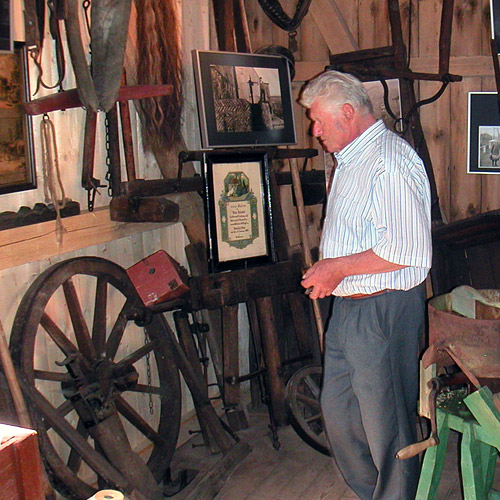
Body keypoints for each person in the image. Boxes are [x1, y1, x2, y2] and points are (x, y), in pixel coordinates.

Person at [299, 70, 432, 500]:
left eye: (319, 121)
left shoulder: (388, 161)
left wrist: (337, 268)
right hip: (351, 309)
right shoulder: (352, 160)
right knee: (338, 412)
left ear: (349, 113)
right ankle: (375, 493)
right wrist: (334, 276)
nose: (313, 131)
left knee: (386, 424)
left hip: (386, 308)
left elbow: (407, 251)